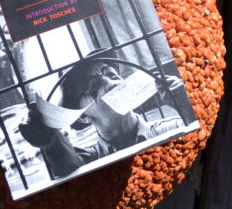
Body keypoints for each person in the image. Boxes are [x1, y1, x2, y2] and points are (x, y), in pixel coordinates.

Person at [18, 57, 186, 178]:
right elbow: (69, 166)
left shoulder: (174, 127)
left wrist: (185, 105)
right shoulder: (91, 159)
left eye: (112, 75)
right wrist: (49, 138)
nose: (109, 82)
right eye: (94, 86)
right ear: (83, 117)